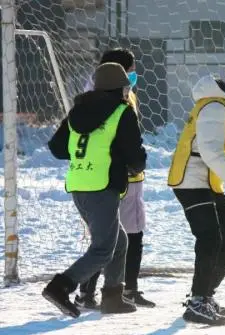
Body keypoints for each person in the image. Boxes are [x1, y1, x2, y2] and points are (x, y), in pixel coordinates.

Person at [43, 62, 147, 317]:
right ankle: (60, 287)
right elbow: (135, 155)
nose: (127, 92)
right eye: (126, 87)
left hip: (79, 183)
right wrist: (132, 165)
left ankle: (112, 297)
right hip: (102, 186)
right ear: (120, 89)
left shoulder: (78, 111)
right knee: (103, 248)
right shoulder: (122, 112)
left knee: (118, 241)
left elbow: (57, 148)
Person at [167, 55, 225, 325]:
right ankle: (197, 302)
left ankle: (204, 296)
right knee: (210, 238)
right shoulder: (215, 107)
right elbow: (210, 152)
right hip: (191, 180)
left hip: (208, 182)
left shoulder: (222, 104)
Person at [74, 48, 155, 309]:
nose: (133, 76)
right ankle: (88, 290)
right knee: (113, 239)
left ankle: (116, 290)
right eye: (130, 70)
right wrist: (132, 161)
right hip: (115, 177)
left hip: (111, 176)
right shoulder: (110, 99)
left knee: (116, 237)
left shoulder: (96, 96)